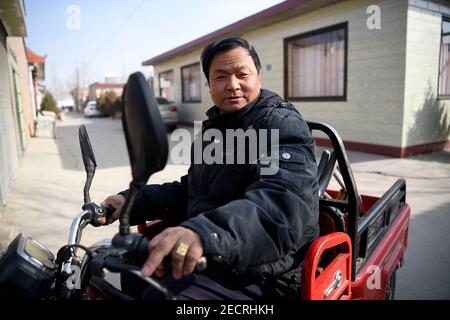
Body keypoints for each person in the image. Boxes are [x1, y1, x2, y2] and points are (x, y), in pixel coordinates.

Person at [102, 37, 319, 300]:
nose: (233, 85)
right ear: (208, 85)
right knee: (127, 270)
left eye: (242, 74)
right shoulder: (214, 131)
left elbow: (279, 203)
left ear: (258, 78)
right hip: (214, 252)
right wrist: (132, 201)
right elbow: (191, 190)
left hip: (264, 270)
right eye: (221, 77)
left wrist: (204, 233)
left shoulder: (281, 127)